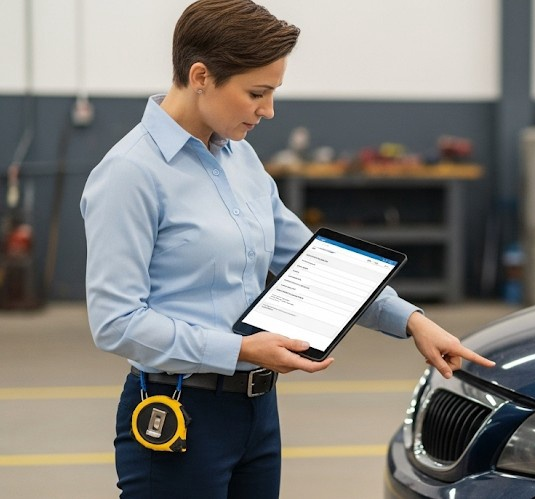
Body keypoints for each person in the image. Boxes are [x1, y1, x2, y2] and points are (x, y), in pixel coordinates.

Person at [79, 1, 495, 497]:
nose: (268, 110)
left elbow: (314, 262)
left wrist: (410, 320)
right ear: (200, 76)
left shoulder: (242, 160)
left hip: (257, 413)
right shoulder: (130, 174)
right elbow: (116, 322)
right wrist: (239, 349)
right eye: (257, 93)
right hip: (178, 415)